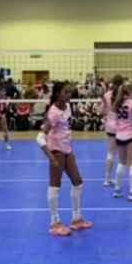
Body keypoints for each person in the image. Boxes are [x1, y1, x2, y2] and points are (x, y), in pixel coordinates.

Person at [36, 82, 93, 237]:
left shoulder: (67, 107)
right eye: (66, 92)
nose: (69, 95)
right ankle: (54, 223)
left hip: (67, 149)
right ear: (58, 94)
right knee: (55, 186)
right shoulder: (53, 113)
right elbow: (39, 138)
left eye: (70, 92)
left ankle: (76, 219)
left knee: (78, 183)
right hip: (56, 151)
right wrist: (51, 157)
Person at [112, 83, 132, 201]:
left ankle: (117, 189)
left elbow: (114, 120)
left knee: (122, 163)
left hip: (119, 135)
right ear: (130, 92)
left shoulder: (117, 104)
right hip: (130, 135)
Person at [101, 75, 124, 188]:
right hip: (122, 126)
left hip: (110, 125)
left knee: (111, 152)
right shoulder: (124, 95)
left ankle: (107, 179)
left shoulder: (106, 95)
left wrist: (107, 109)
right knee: (126, 153)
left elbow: (102, 112)